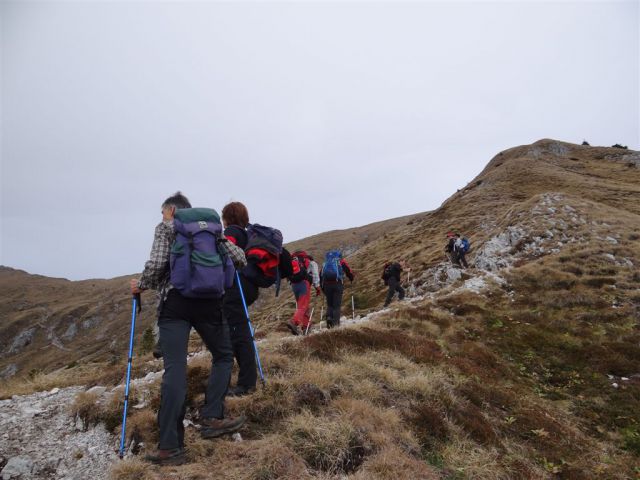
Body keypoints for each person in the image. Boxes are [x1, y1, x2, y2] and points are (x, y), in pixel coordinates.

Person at [130, 192, 245, 466]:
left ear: (171, 210)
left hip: (176, 305)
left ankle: (171, 447)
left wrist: (142, 284)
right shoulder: (210, 229)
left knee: (175, 369)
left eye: (162, 212)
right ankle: (212, 417)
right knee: (224, 355)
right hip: (208, 304)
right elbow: (239, 259)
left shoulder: (167, 228)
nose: (162, 217)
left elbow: (158, 265)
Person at [220, 202, 259, 397]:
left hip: (237, 286)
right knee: (239, 330)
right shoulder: (245, 232)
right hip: (248, 286)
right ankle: (246, 380)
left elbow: (227, 253)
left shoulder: (232, 232)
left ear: (227, 217)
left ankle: (246, 384)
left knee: (238, 333)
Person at [320, 250, 354, 328]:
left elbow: (320, 275)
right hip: (337, 284)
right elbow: (348, 271)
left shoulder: (325, 263)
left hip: (327, 286)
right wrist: (351, 278)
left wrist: (322, 287)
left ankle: (329, 318)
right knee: (337, 305)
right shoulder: (340, 261)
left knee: (330, 304)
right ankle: (335, 324)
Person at [287, 251, 313, 335]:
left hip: (294, 285)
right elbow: (313, 273)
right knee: (303, 306)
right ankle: (294, 322)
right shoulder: (306, 261)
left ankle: (306, 327)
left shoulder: (291, 262)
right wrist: (317, 286)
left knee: (303, 306)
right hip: (303, 284)